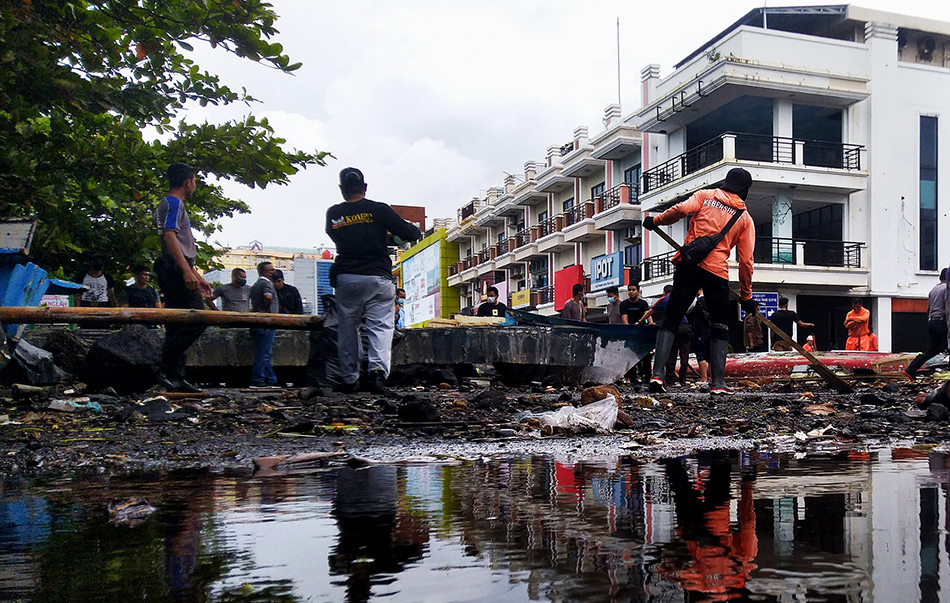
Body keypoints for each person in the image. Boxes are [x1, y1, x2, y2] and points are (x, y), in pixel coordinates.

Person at [642, 166, 756, 395]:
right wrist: (746, 296)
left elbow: (680, 209)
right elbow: (746, 262)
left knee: (672, 318)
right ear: (745, 190)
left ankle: (657, 376)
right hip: (716, 272)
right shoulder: (744, 218)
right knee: (720, 325)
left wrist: (656, 221)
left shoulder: (705, 195)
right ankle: (719, 383)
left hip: (689, 264)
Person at [326, 167, 421, 394]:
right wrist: (390, 236)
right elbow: (410, 233)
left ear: (342, 190)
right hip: (378, 278)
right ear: (365, 188)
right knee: (380, 327)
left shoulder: (333, 213)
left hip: (347, 278)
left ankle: (350, 379)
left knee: (348, 328)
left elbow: (340, 235)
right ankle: (377, 375)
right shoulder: (378, 210)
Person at [153, 162, 212, 393]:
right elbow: (170, 237)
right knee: (197, 318)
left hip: (177, 265)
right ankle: (162, 366)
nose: (194, 185)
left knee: (178, 323)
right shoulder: (174, 203)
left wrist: (196, 273)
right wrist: (187, 270)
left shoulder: (166, 203)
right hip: (175, 266)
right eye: (194, 181)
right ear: (188, 182)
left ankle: (175, 376)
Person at [905, 269, 948, 379]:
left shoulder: (933, 289)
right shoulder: (946, 289)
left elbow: (928, 309)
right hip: (941, 321)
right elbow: (947, 308)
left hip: (932, 321)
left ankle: (911, 369)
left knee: (931, 351)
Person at [249, 261, 279, 387]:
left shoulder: (255, 285)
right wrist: (267, 310)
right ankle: (258, 379)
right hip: (266, 322)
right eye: (271, 270)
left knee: (264, 351)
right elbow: (268, 297)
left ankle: (272, 379)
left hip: (257, 322)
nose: (273, 272)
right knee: (264, 353)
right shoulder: (266, 283)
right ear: (264, 272)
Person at [621, 283, 652, 383]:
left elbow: (647, 314)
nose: (631, 292)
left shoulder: (643, 303)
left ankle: (647, 379)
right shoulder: (624, 304)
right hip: (630, 334)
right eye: (629, 290)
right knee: (630, 357)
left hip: (642, 333)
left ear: (638, 291)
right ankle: (633, 379)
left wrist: (651, 323)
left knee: (646, 357)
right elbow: (624, 319)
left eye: (633, 290)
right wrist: (628, 327)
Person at [688, 288, 711, 385]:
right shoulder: (712, 300)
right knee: (711, 356)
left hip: (700, 331)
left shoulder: (697, 301)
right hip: (712, 331)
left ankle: (703, 378)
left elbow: (688, 310)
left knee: (701, 355)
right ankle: (712, 378)